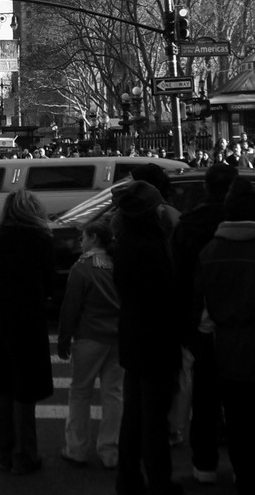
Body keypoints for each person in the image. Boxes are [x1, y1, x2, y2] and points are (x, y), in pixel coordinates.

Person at [0, 189, 54, 475]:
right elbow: (50, 280)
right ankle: (25, 456)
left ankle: (3, 453)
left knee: (0, 387)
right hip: (28, 321)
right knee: (25, 390)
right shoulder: (42, 239)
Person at [111, 179, 184, 495]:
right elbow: (167, 297)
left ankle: (128, 478)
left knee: (134, 415)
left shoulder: (125, 243)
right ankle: (159, 481)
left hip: (132, 337)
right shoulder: (153, 247)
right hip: (157, 340)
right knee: (154, 419)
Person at [172, 163, 236, 484]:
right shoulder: (237, 226)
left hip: (199, 323)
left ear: (208, 189)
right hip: (239, 325)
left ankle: (204, 465)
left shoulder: (189, 225)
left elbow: (178, 279)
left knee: (204, 396)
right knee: (240, 397)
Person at [196, 177, 255, 495]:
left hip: (227, 347)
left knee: (237, 416)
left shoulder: (210, 252)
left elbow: (203, 309)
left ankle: (242, 473)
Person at [58, 220, 123, 469]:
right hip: (116, 337)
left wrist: (64, 338)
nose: (80, 242)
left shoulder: (82, 268)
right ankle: (110, 451)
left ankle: (76, 448)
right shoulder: (116, 265)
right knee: (114, 394)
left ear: (94, 238)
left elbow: (71, 307)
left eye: (83, 237)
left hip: (89, 337)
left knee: (80, 393)